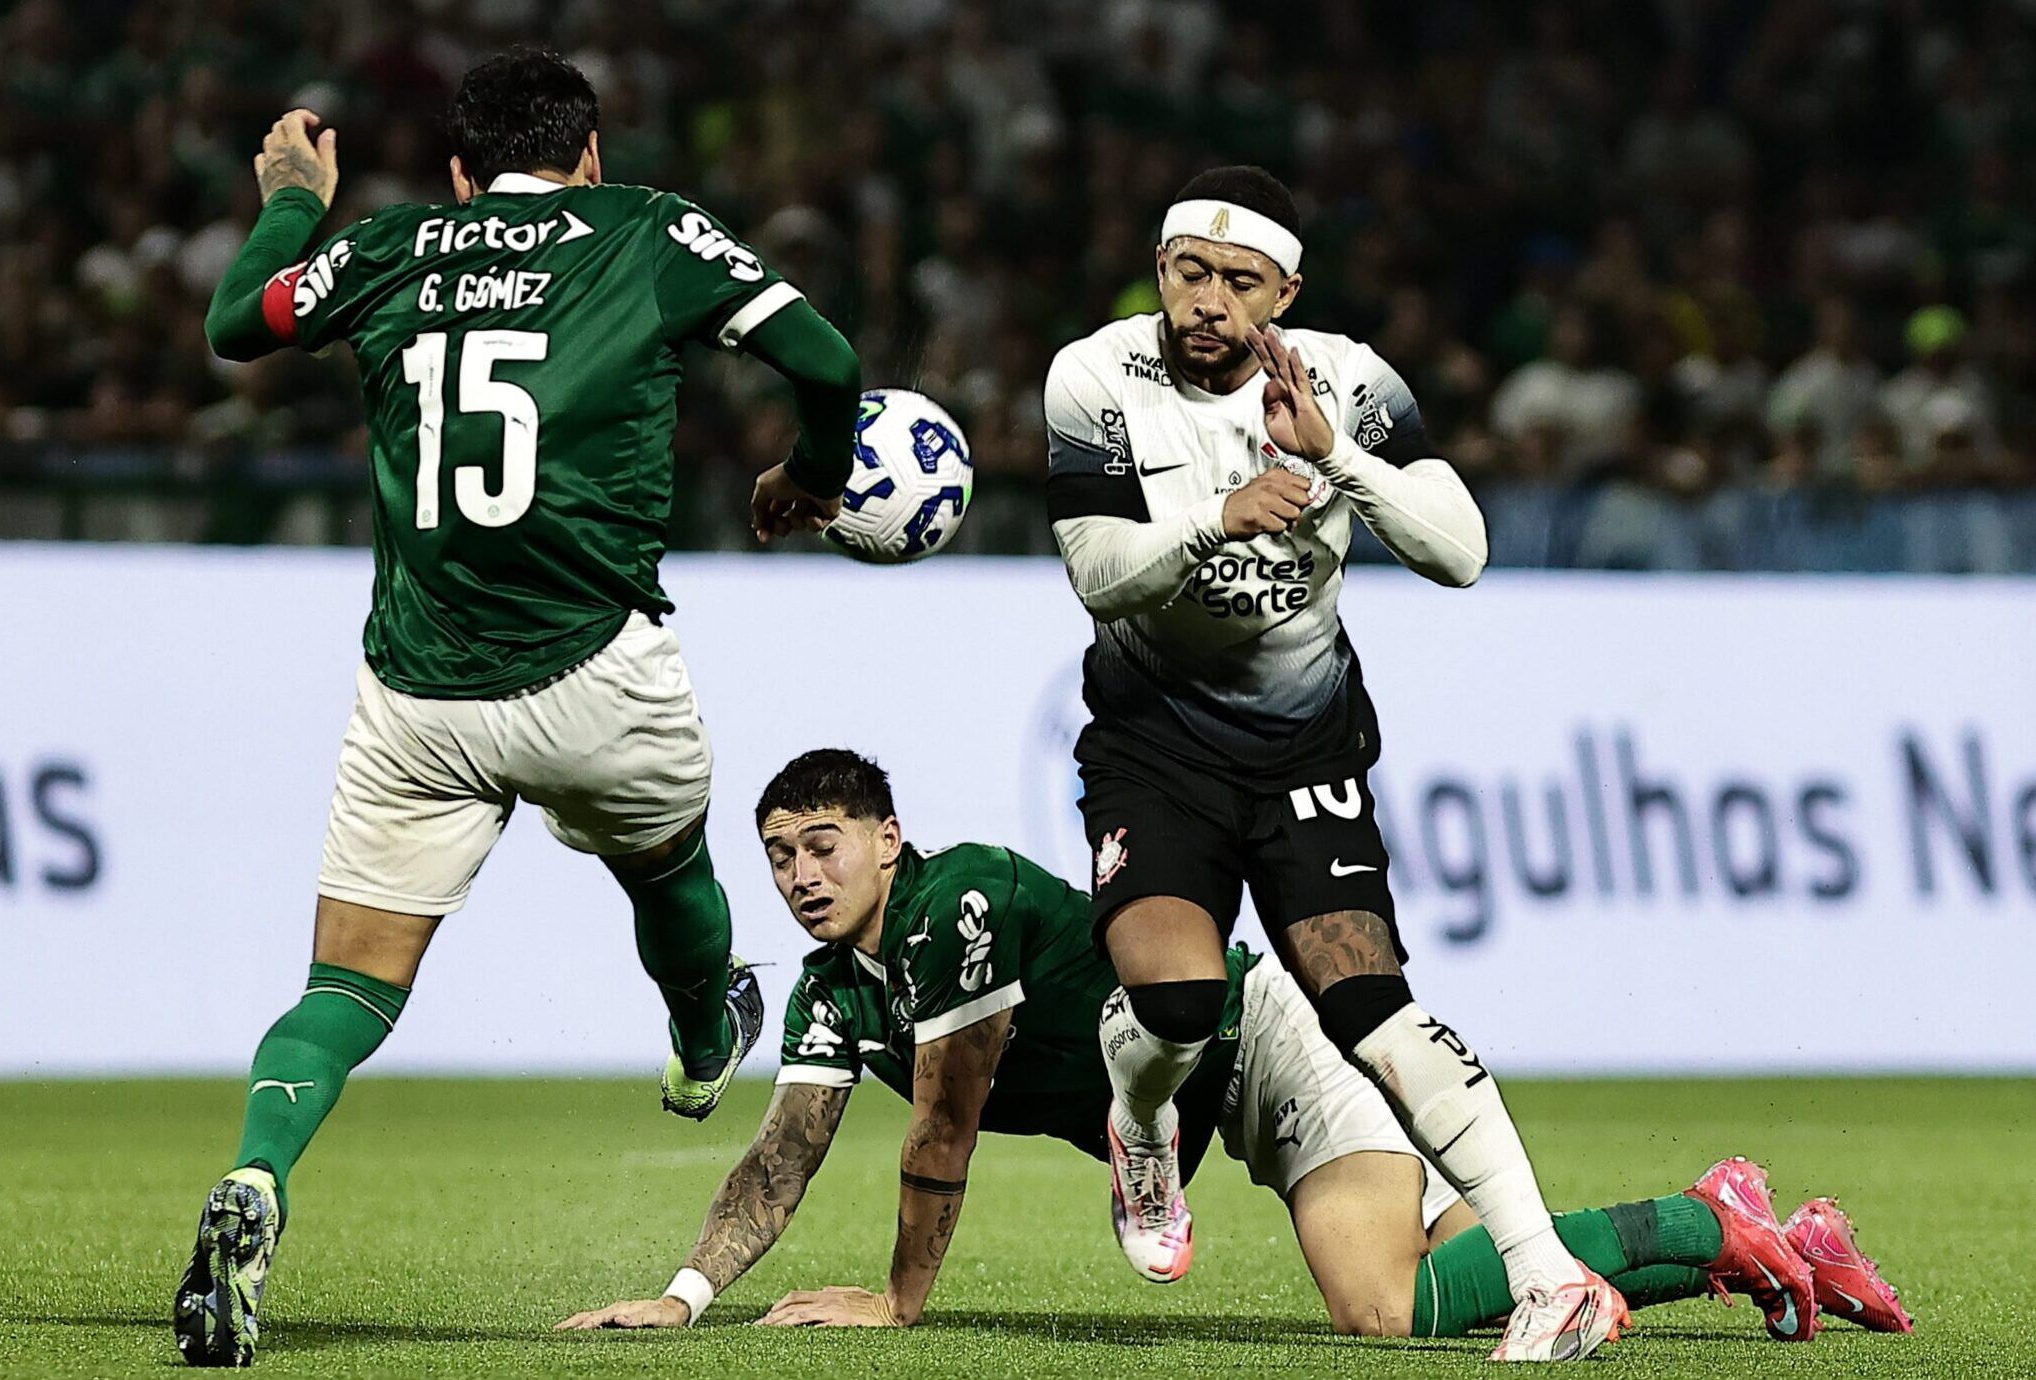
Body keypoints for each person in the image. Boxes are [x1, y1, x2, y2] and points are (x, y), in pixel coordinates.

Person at [173, 48, 860, 1367]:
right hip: (597, 672)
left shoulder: (388, 248)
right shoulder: (645, 229)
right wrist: (807, 478)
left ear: (457, 171)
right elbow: (826, 358)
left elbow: (230, 327)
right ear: (589, 155)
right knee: (668, 871)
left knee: (341, 991)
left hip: (416, 692)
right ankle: (701, 1036)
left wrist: (289, 200)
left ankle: (259, 1177)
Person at [557, 750, 1911, 1347]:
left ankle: (1703, 1216)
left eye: (823, 844)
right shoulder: (824, 993)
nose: (800, 873)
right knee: (1426, 1293)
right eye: (779, 853)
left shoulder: (956, 897)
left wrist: (901, 1305)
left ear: (886, 840)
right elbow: (783, 1155)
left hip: (1260, 1046)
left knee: (1386, 1312)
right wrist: (683, 1294)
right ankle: (1734, 1235)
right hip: (1180, 1103)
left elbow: (943, 1124)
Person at [1040, 164, 1642, 1360]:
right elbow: (1092, 571)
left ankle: (1546, 1278)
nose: (1210, 300)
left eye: (1241, 282)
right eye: (1189, 272)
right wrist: (1216, 518)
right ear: (1161, 269)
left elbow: (1461, 552)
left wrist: (1337, 464)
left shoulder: (1351, 379)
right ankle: (1143, 1131)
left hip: (1306, 748)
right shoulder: (1093, 375)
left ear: (1287, 290)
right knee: (1174, 1006)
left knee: (1372, 1009)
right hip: (1154, 743)